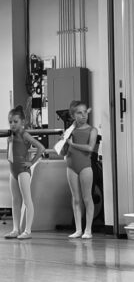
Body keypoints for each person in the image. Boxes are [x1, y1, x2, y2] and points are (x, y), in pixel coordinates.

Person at [3, 105, 45, 240]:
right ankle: (16, 229)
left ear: (22, 122)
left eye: (15, 121)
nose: (12, 124)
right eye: (10, 122)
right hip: (13, 171)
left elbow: (41, 148)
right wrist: (8, 143)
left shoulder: (24, 134)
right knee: (15, 201)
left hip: (23, 171)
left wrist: (31, 163)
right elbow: (8, 156)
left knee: (27, 200)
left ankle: (27, 230)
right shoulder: (10, 136)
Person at [65, 100, 97, 239]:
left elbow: (90, 148)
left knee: (87, 198)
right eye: (79, 113)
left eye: (85, 112)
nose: (84, 115)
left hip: (85, 167)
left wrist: (73, 144)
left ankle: (88, 230)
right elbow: (64, 145)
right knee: (76, 199)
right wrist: (67, 142)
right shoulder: (71, 130)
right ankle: (78, 229)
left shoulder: (92, 130)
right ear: (73, 116)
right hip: (71, 166)